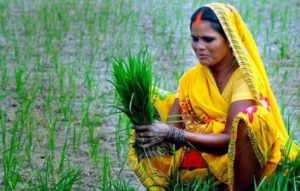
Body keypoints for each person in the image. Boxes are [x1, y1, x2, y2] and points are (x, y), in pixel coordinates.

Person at [128, 3, 299, 191]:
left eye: (208, 39)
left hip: (240, 161)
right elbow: (172, 142)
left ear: (229, 40)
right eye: (195, 39)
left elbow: (229, 140)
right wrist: (150, 130)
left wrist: (173, 134)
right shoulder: (190, 80)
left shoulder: (244, 79)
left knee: (251, 119)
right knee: (153, 99)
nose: (199, 47)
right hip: (201, 155)